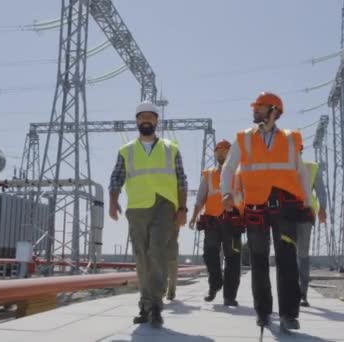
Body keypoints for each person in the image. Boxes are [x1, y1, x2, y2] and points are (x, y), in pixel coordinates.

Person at [220, 91, 311, 332]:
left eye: (260, 106)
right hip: (255, 207)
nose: (255, 110)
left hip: (286, 208)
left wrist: (309, 205)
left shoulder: (291, 139)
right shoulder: (243, 138)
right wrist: (226, 193)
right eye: (255, 106)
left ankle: (289, 315)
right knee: (259, 261)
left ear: (274, 111)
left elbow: (302, 173)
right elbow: (228, 168)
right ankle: (263, 312)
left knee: (287, 260)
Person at [108, 101, 188, 328]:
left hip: (165, 207)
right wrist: (113, 202)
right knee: (142, 256)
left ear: (156, 121)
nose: (146, 120)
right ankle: (145, 304)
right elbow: (116, 178)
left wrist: (182, 209)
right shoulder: (127, 150)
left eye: (150, 117)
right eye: (141, 117)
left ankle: (155, 305)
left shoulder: (171, 148)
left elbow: (182, 180)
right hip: (137, 208)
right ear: (136, 121)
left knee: (157, 253)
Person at [189, 140, 244, 306]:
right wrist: (194, 216)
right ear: (215, 153)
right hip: (212, 221)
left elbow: (245, 195)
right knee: (210, 255)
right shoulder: (209, 174)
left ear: (231, 153)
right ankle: (215, 284)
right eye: (218, 150)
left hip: (233, 221)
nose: (221, 153)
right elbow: (201, 197)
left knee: (233, 258)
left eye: (225, 150)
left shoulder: (239, 173)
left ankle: (229, 296)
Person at [297, 160, 327, 307]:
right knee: (287, 254)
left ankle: (302, 294)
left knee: (302, 254)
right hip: (284, 214)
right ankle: (290, 293)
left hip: (304, 213)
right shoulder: (282, 162)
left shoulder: (311, 167)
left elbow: (321, 190)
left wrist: (322, 208)